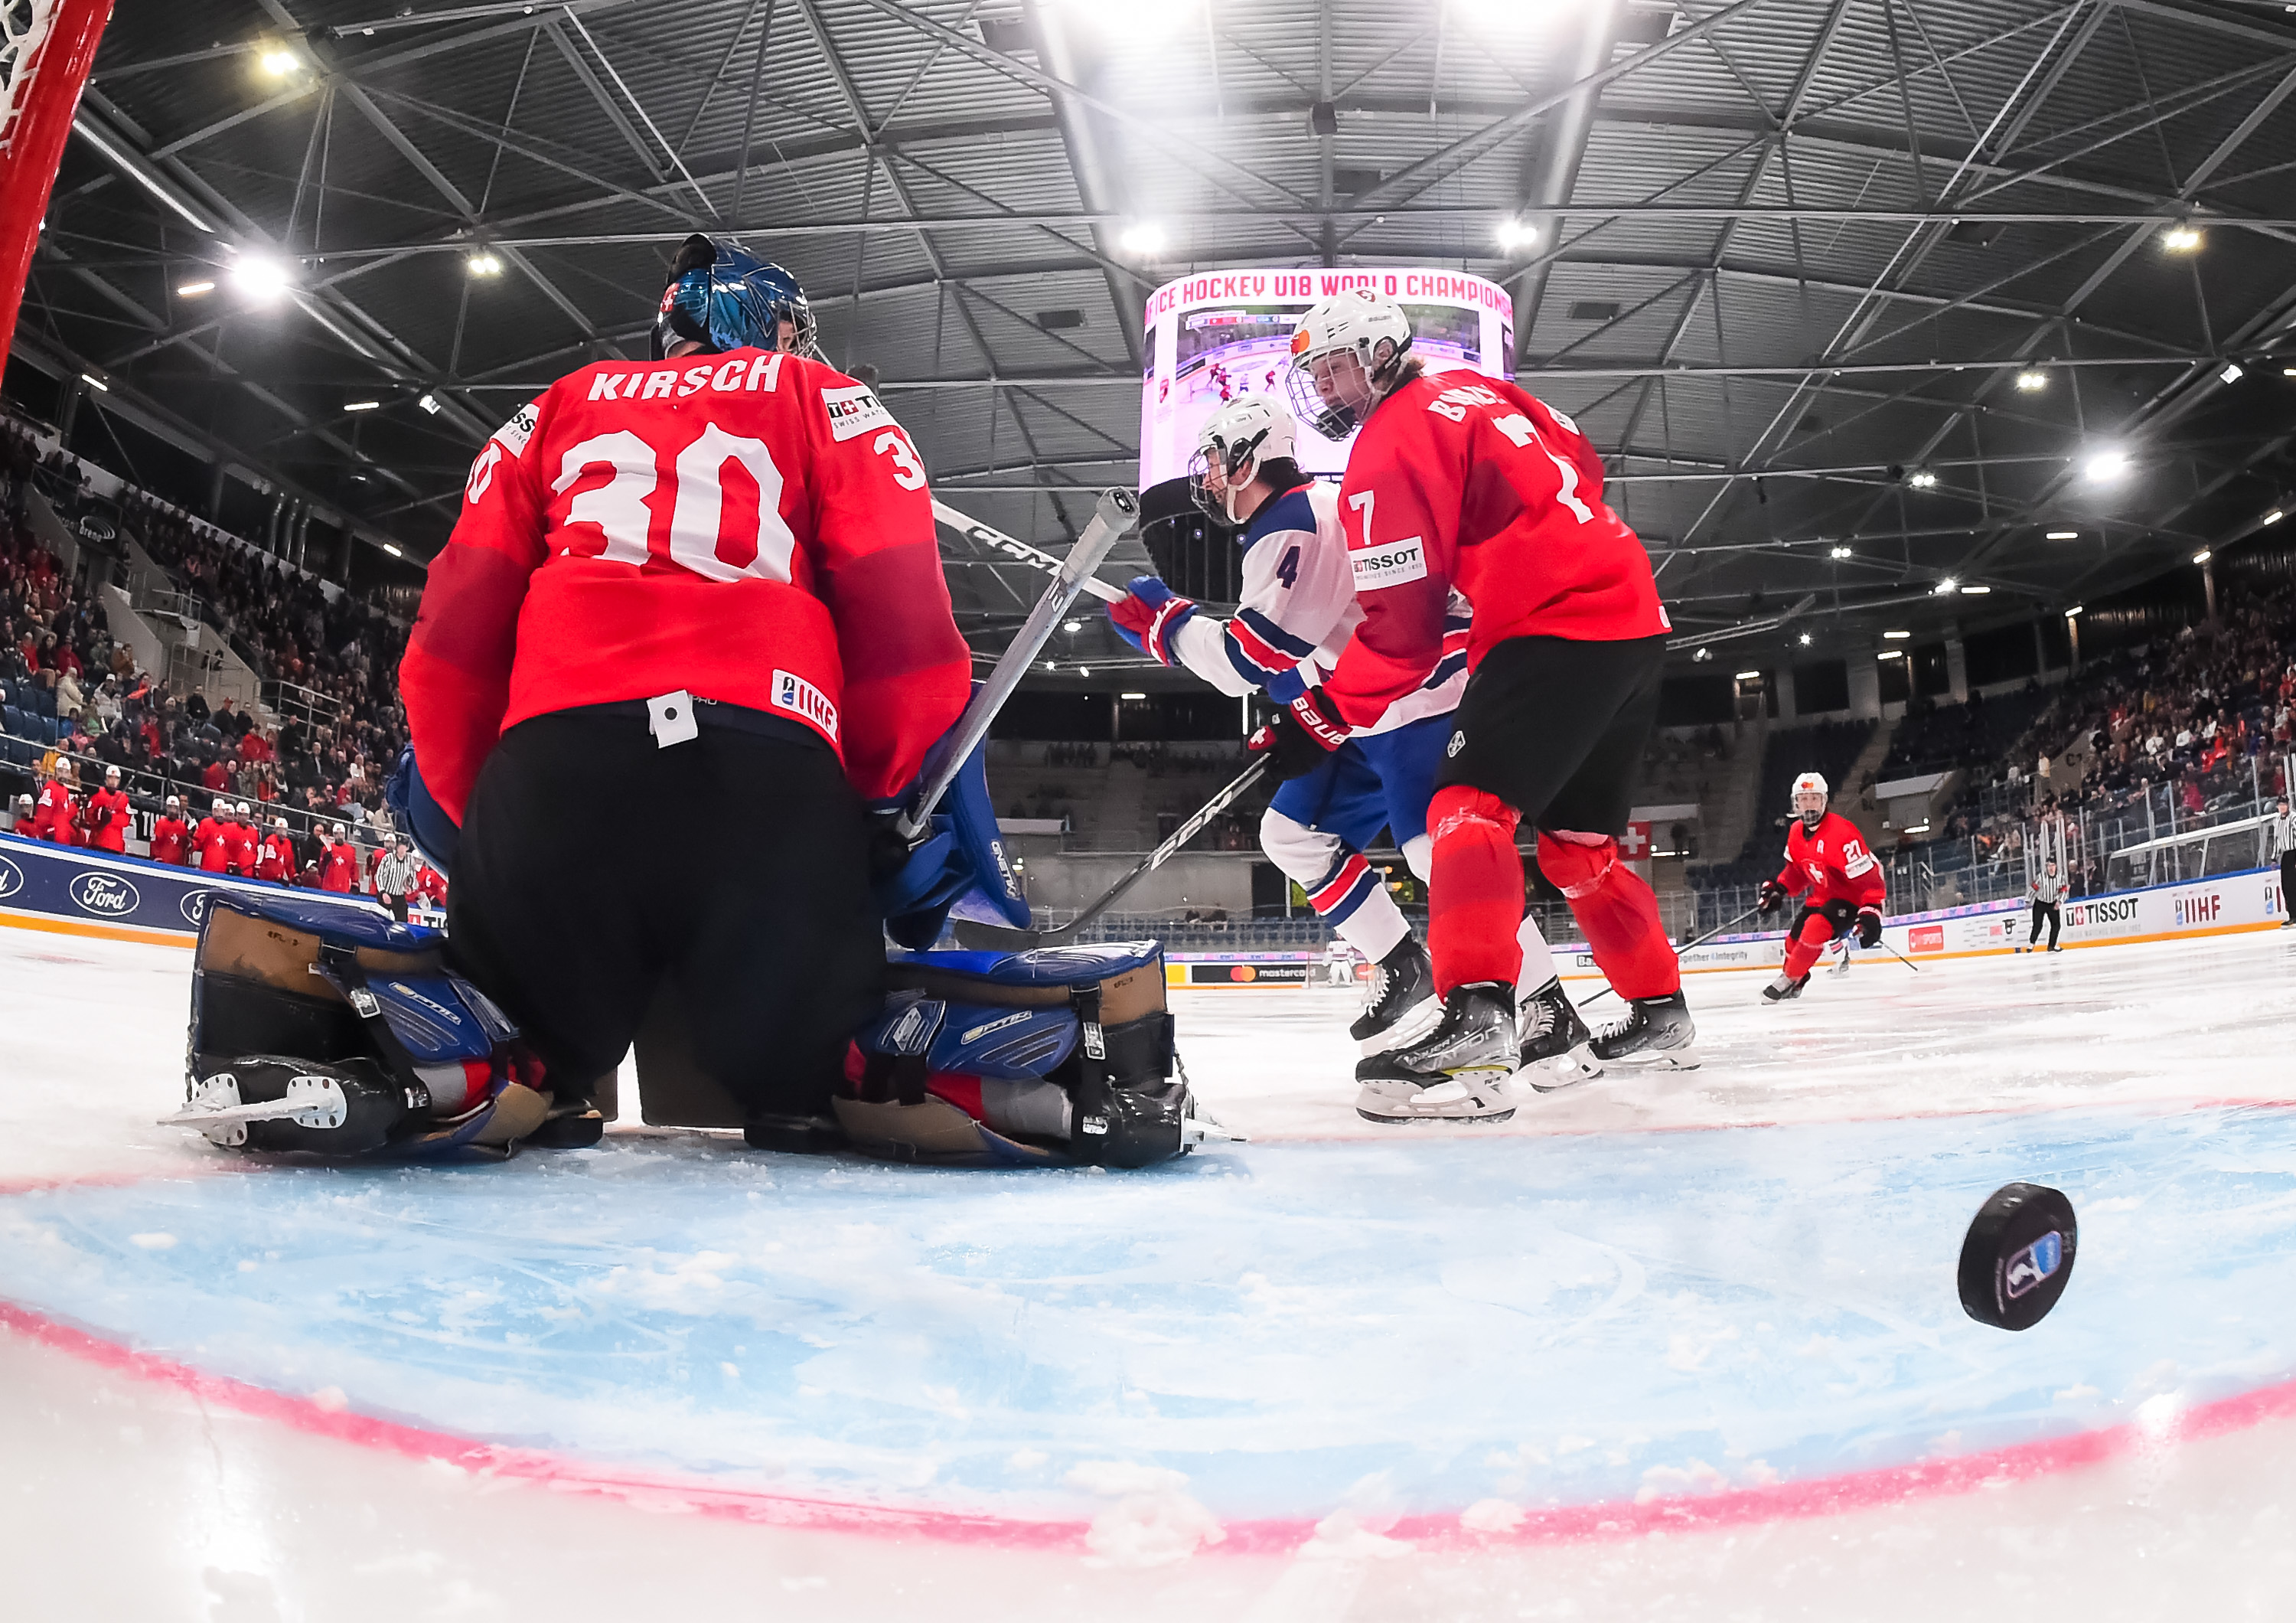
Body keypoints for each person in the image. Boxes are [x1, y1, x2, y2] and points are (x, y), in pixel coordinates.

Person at [397, 234, 970, 1145]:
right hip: (765, 766)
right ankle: (794, 1082)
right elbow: (906, 622)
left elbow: (449, 638)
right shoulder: (827, 396)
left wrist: (484, 814)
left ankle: (539, 1069)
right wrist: (867, 798)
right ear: (771, 324)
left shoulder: (552, 406)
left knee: (525, 1056)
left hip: (554, 764)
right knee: (806, 1079)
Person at [1266, 289, 1690, 1121]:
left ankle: (1479, 1016)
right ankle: (1659, 1009)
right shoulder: (1483, 389)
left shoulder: (1388, 443)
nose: (1327, 391)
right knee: (1579, 847)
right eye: (1315, 375)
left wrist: (1317, 716)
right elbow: (1580, 456)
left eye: (1338, 368)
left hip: (1552, 622)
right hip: (1633, 606)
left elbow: (1402, 636)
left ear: (1382, 353)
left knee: (1464, 812)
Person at [1105, 394, 1585, 1070]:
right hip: (1364, 708)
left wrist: (1169, 627)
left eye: (1215, 460)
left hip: (1420, 699)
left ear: (1249, 460)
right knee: (1291, 835)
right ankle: (1400, 961)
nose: (1208, 477)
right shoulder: (1300, 514)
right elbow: (1304, 645)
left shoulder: (1293, 523)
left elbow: (1250, 659)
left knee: (1437, 852)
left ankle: (1545, 1005)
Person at [1754, 772, 1886, 1000]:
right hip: (1822, 897)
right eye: (1804, 799)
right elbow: (1797, 871)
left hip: (1850, 898)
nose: (1809, 805)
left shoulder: (1843, 833)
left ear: (1824, 801)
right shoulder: (1795, 832)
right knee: (1793, 941)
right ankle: (1799, 978)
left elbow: (1870, 879)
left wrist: (1872, 910)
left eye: (1814, 798)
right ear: (1795, 803)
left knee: (1815, 928)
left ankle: (1790, 978)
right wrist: (1778, 889)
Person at [2018, 858, 2066, 953]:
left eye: (2052, 865)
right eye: (2049, 866)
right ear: (2046, 867)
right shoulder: (2041, 877)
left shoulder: (2060, 878)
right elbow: (2032, 889)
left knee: (2056, 925)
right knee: (2037, 925)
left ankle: (2051, 945)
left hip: (2052, 903)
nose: (2051, 868)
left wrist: (2060, 901)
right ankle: (2031, 944)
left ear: (2055, 866)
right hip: (2040, 903)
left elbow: (2063, 891)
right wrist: (2028, 901)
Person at [83, 764, 132, 854]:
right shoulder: (97, 794)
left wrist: (111, 818)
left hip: (116, 846)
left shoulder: (124, 798)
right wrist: (99, 815)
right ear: (106, 778)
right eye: (111, 778)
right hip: (98, 843)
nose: (113, 781)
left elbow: (126, 820)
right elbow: (89, 816)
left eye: (116, 778)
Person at [372, 835, 418, 923]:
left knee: (402, 921)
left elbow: (412, 876)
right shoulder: (388, 858)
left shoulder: (409, 860)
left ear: (407, 848)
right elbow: (379, 876)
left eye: (404, 846)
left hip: (399, 895)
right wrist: (383, 892)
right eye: (400, 846)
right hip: (386, 893)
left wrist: (410, 886)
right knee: (381, 919)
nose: (401, 849)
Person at [30, 763, 76, 844]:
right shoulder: (50, 787)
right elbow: (43, 814)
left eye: (66, 772)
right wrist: (49, 831)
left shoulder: (65, 790)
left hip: (61, 840)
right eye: (60, 771)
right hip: (51, 838)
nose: (63, 775)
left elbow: (64, 815)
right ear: (55, 772)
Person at [2268, 795, 2294, 929]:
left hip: (2294, 852)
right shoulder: (2277, 820)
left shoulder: (2293, 818)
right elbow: (2277, 840)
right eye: (2280, 805)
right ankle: (2292, 915)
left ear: (2288, 805)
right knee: (2286, 887)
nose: (2282, 807)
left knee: (2294, 885)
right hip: (2286, 855)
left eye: (2284, 804)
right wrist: (2274, 857)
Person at [195, 796, 234, 872]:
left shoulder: (230, 828)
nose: (219, 813)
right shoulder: (206, 823)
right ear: (213, 811)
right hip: (207, 867)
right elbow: (197, 843)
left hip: (223, 869)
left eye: (222, 811)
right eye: (217, 810)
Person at [150, 795, 191, 867]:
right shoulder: (160, 823)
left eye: (174, 808)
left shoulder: (182, 826)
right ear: (167, 808)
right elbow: (155, 842)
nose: (172, 810)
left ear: (178, 809)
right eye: (170, 807)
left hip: (178, 865)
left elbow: (185, 846)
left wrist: (185, 863)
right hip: (162, 863)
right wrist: (156, 857)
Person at [320, 821, 360, 893]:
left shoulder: (351, 850)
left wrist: (355, 882)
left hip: (344, 887)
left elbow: (354, 868)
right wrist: (325, 861)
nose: (339, 835)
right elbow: (321, 870)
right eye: (336, 833)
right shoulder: (327, 849)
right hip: (328, 887)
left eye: (341, 833)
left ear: (344, 834)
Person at [258, 815, 298, 883]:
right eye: (280, 830)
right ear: (275, 830)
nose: (282, 833)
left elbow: (289, 862)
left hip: (279, 878)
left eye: (284, 830)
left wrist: (293, 876)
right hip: (267, 879)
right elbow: (270, 864)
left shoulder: (287, 843)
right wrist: (277, 877)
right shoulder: (271, 841)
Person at [227, 799, 260, 878]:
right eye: (241, 814)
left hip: (248, 872)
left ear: (249, 816)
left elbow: (255, 852)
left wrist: (255, 869)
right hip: (233, 870)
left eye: (245, 815)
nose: (243, 817)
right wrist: (231, 865)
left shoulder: (254, 832)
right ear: (236, 815)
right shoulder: (230, 828)